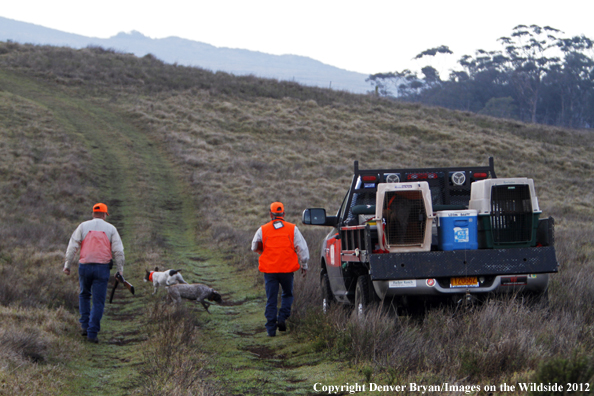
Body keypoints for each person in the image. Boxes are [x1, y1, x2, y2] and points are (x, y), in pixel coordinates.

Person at [63, 203, 125, 343]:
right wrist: (120, 270)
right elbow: (118, 251)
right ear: (104, 215)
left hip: (84, 267)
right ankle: (92, 333)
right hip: (102, 269)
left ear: (93, 214)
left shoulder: (83, 226)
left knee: (84, 295)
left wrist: (67, 265)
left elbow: (72, 246)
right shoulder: (111, 229)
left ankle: (85, 326)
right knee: (98, 301)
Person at [251, 202, 309, 337]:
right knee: (287, 294)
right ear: (284, 214)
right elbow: (302, 249)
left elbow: (254, 246)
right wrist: (304, 265)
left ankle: (271, 330)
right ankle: (282, 318)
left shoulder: (263, 229)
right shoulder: (292, 229)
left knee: (271, 299)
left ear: (270, 214)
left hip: (270, 271)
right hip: (287, 270)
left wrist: (262, 250)